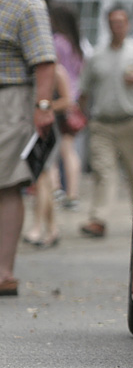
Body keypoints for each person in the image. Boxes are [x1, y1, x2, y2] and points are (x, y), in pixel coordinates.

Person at [77, 7, 133, 239]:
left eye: (121, 21)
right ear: (108, 25)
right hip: (102, 124)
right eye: (112, 22)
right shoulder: (97, 55)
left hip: (131, 122)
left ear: (127, 24)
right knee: (103, 171)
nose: (117, 26)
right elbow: (84, 89)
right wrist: (80, 113)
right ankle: (98, 219)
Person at [0, 0, 56, 296]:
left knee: (5, 183)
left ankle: (4, 271)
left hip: (11, 97)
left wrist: (43, 105)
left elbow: (44, 61)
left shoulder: (26, 3)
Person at [22, 64, 74, 248]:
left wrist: (43, 107)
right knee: (41, 179)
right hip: (30, 130)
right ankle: (52, 229)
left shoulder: (57, 71)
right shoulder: (27, 71)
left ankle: (38, 226)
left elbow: (67, 100)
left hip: (49, 131)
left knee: (43, 177)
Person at [49, 3, 86, 209]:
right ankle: (73, 194)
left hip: (59, 98)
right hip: (74, 100)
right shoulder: (76, 44)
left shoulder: (57, 42)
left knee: (53, 151)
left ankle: (55, 190)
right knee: (69, 150)